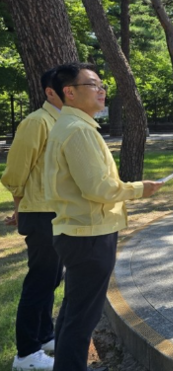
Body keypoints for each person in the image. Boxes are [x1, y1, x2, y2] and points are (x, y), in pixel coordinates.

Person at [43, 63, 162, 371]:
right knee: (82, 318)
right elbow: (98, 188)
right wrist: (140, 189)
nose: (101, 90)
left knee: (74, 311)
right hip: (89, 235)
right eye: (92, 85)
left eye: (101, 85)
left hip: (81, 231)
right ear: (69, 92)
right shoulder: (78, 130)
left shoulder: (72, 125)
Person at [3, 68, 63, 371]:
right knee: (40, 280)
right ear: (51, 92)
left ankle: (44, 335)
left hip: (57, 211)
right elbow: (15, 173)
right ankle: (26, 354)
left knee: (52, 277)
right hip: (41, 212)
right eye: (71, 87)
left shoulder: (64, 121)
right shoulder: (37, 122)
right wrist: (20, 209)